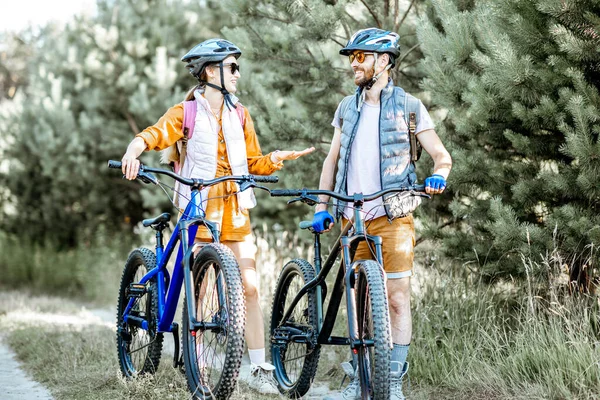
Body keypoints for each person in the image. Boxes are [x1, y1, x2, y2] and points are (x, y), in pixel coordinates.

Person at [120, 38, 314, 394]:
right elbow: (151, 136)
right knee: (204, 292)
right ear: (211, 71)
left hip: (236, 211)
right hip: (200, 212)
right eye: (232, 67)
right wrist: (133, 153)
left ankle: (258, 368)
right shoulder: (186, 113)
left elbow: (253, 161)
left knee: (251, 289)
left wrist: (275, 158)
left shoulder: (240, 113)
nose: (238, 74)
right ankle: (201, 369)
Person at [314, 28, 452, 400]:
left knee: (396, 298)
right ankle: (360, 380)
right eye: (352, 57)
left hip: (394, 215)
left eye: (361, 57)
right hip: (352, 215)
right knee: (358, 299)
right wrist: (322, 206)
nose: (353, 64)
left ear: (384, 62)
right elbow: (332, 159)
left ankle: (391, 382)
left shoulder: (409, 106)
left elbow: (442, 156)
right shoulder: (347, 107)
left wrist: (438, 175)